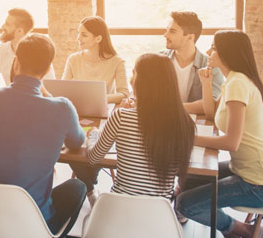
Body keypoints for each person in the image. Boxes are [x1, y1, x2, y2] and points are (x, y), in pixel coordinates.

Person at [0, 34, 86, 238]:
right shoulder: (62, 107)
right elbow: (77, 142)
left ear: (15, 62)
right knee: (78, 187)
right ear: (48, 68)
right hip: (31, 220)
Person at [176, 30, 263, 238]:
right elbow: (211, 113)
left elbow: (230, 142)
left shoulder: (238, 83)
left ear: (228, 53)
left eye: (214, 48)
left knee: (185, 203)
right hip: (250, 170)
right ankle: (235, 237)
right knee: (189, 176)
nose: (208, 52)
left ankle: (246, 234)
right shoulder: (233, 80)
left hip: (261, 183)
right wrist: (206, 83)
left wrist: (190, 138)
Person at [82, 54, 195, 202]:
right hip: (159, 214)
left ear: (142, 82)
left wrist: (94, 135)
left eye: (134, 73)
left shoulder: (121, 117)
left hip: (118, 208)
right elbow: (180, 170)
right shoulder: (185, 123)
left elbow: (93, 158)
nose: (131, 79)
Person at [0, 8, 54, 89]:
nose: (3, 26)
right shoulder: (1, 50)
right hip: (8, 98)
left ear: (19, 31)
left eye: (7, 24)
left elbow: (50, 89)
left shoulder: (40, 51)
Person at [62, 16, 129, 104]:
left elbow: (124, 94)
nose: (78, 38)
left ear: (98, 38)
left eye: (84, 35)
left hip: (105, 111)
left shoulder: (117, 62)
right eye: (78, 33)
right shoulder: (73, 59)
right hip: (79, 109)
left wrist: (98, 98)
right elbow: (62, 90)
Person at [161, 11, 223, 104]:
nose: (165, 35)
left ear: (190, 37)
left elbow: (213, 103)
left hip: (196, 119)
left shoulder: (211, 66)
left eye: (172, 31)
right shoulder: (157, 61)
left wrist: (175, 109)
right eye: (167, 30)